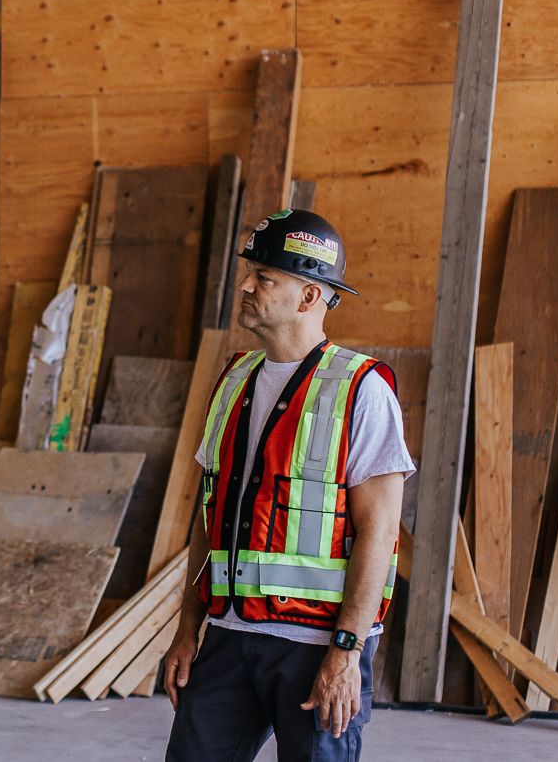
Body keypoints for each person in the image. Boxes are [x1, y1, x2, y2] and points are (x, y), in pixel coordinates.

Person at [162, 209, 414, 762]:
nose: (246, 286)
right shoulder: (232, 380)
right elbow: (208, 519)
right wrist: (188, 629)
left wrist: (345, 653)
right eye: (249, 272)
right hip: (229, 636)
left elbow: (379, 532)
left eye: (265, 278)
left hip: (315, 647)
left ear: (309, 298)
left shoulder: (361, 391)